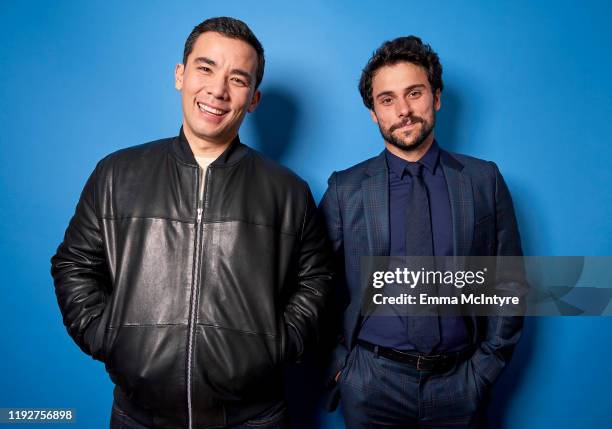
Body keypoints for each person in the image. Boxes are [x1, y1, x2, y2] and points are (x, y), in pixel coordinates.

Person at [51, 17, 332, 429]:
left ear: (253, 98)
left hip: (254, 419)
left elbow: (317, 280)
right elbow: (73, 265)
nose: (217, 90)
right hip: (139, 418)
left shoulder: (288, 191)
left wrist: (276, 345)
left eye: (238, 79)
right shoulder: (116, 174)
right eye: (205, 68)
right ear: (180, 75)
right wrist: (111, 338)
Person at [319, 36, 527, 428]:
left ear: (436, 97)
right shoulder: (345, 190)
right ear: (373, 113)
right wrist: (341, 367)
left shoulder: (484, 181)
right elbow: (319, 285)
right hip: (371, 383)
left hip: (460, 382)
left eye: (414, 93)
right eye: (387, 100)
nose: (403, 110)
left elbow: (510, 283)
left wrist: (484, 369)